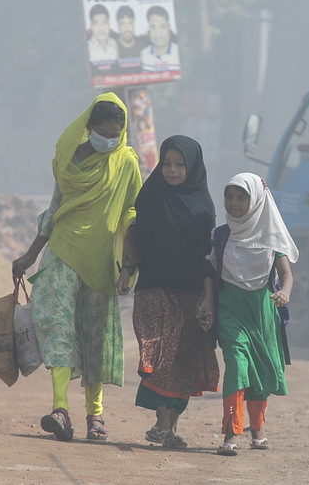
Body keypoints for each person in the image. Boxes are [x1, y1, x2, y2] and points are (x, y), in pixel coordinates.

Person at [11, 93, 142, 443]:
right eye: (102, 133)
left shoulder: (127, 163)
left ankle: (95, 414)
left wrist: (128, 266)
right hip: (62, 252)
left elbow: (132, 213)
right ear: (89, 127)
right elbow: (55, 208)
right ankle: (60, 409)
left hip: (101, 261)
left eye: (115, 134)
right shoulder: (68, 159)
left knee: (94, 335)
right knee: (58, 327)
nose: (109, 140)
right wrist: (30, 255)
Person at [119, 136, 220, 448]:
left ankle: (169, 430)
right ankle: (162, 421)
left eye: (180, 165)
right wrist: (126, 270)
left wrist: (208, 297)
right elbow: (135, 237)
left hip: (190, 294)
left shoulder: (204, 208)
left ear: (193, 167)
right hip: (154, 288)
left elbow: (208, 259)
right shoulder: (151, 197)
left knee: (183, 361)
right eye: (167, 164)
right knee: (157, 353)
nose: (172, 170)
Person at [211, 173, 298, 456]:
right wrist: (205, 303)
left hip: (262, 314)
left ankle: (257, 430)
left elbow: (286, 275)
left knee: (260, 370)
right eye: (229, 197)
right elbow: (210, 273)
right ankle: (231, 432)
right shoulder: (221, 236)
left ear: (257, 201)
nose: (233, 203)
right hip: (230, 311)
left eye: (241, 198)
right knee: (237, 366)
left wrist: (285, 292)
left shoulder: (272, 238)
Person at [140, 5, 180, 71]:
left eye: (162, 26)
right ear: (149, 30)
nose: (158, 34)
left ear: (169, 27)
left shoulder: (180, 53)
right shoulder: (142, 55)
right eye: (153, 27)